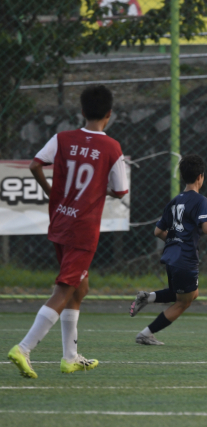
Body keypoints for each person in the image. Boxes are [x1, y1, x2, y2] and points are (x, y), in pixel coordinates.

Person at [8, 85, 129, 378]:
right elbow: (121, 189)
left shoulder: (62, 138)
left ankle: (70, 357)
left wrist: (53, 193)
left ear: (82, 111)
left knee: (80, 288)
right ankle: (23, 348)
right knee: (64, 288)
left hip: (60, 221)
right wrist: (102, 189)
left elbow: (36, 164)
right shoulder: (111, 147)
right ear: (109, 114)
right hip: (83, 229)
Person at [129, 154, 207, 345]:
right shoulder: (199, 200)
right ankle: (146, 334)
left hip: (171, 257)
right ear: (200, 177)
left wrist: (175, 241)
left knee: (189, 293)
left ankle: (148, 297)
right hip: (186, 259)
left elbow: (157, 231)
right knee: (183, 301)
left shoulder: (174, 202)